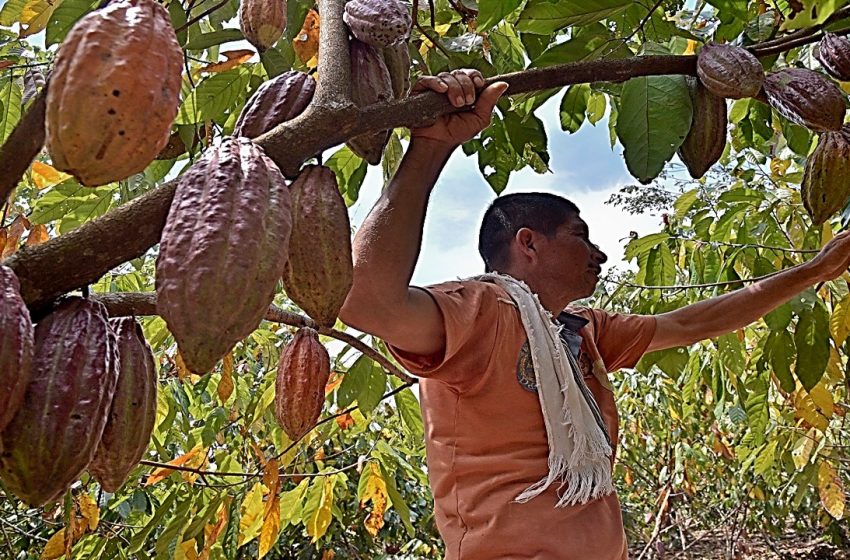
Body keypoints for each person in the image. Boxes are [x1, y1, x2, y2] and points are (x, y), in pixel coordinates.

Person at [338, 69, 850, 560]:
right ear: (528, 244)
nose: (599, 255)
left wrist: (811, 272)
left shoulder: (582, 329)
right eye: (581, 236)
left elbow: (694, 322)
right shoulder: (479, 311)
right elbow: (365, 300)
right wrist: (430, 148)